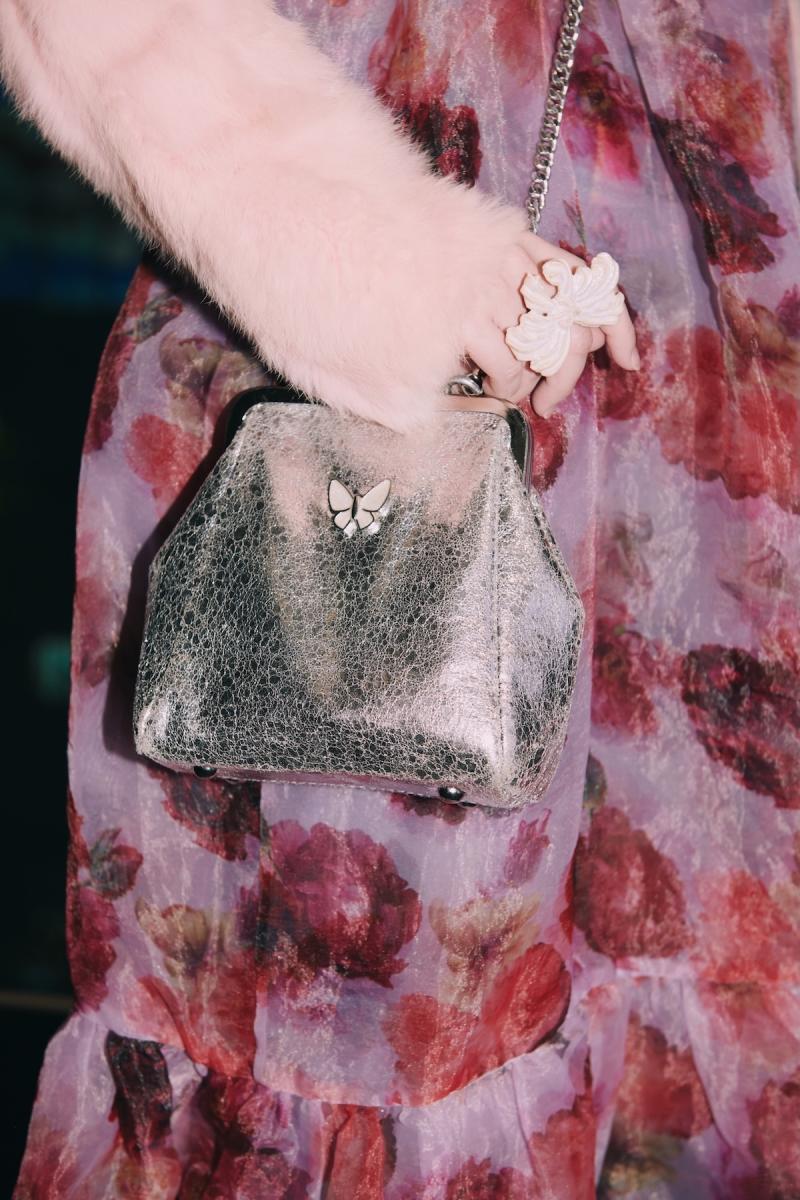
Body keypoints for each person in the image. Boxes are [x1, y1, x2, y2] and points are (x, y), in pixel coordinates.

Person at [3, 1, 799, 1196]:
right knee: (375, 997)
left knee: (691, 885)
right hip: (361, 314)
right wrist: (402, 276)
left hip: (709, 348)